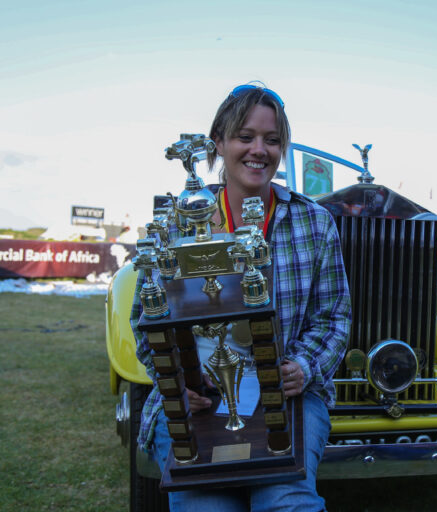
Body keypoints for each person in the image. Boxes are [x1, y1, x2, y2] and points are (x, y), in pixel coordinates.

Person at [130, 83, 352, 511]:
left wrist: (303, 367)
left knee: (286, 500)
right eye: (245, 137)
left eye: (272, 140)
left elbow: (333, 316)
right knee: (205, 505)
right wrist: (177, 380)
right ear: (218, 143)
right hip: (197, 399)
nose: (259, 150)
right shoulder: (175, 225)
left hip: (288, 396)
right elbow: (146, 318)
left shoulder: (314, 222)